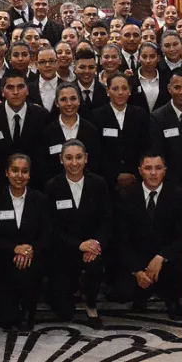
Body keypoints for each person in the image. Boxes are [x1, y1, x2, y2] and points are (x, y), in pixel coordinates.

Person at [115, 154, 182, 320]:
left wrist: (162, 257)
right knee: (121, 292)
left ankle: (172, 299)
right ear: (140, 171)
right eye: (148, 168)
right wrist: (137, 271)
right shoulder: (126, 196)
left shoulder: (177, 195)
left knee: (181, 266)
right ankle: (142, 291)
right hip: (137, 259)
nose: (153, 173)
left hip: (166, 260)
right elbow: (121, 238)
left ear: (165, 171)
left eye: (158, 168)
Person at [45, 139, 110, 324]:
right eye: (69, 158)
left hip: (91, 250)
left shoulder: (98, 184)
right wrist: (78, 245)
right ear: (61, 159)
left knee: (95, 264)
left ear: (86, 158)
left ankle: (91, 303)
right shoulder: (52, 186)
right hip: (63, 250)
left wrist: (96, 244)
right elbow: (51, 227)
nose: (74, 163)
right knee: (64, 313)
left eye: (79, 157)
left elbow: (107, 220)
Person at [0, 153, 51, 331]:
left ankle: (28, 309)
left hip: (32, 258)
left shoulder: (40, 200)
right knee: (5, 319)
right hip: (5, 258)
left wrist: (30, 250)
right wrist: (15, 249)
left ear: (30, 175)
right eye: (15, 170)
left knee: (30, 270)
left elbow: (46, 234)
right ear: (6, 172)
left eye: (24, 171)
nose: (19, 176)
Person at [0, 70, 48, 186]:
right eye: (10, 87)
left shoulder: (41, 115)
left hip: (33, 183)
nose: (15, 92)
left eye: (20, 87)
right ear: (2, 92)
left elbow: (44, 153)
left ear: (27, 91)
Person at [91, 73, 149, 191]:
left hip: (137, 179)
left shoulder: (140, 114)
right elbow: (97, 151)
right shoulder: (96, 116)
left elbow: (146, 146)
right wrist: (115, 175)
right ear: (107, 90)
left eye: (124, 88)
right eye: (115, 89)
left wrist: (135, 174)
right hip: (107, 182)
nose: (120, 93)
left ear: (130, 90)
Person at [130, 42, 171, 113]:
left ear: (158, 58)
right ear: (138, 58)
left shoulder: (166, 78)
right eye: (144, 57)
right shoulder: (131, 79)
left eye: (152, 56)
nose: (148, 61)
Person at [74, 49, 108, 118]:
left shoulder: (105, 90)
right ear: (75, 69)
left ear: (95, 68)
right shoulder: (68, 90)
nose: (87, 71)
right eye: (82, 67)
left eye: (91, 67)